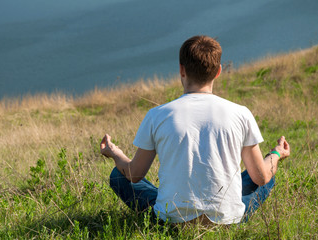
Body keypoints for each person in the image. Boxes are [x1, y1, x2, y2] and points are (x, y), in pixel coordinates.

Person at [100, 35, 290, 225]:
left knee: (119, 175)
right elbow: (261, 177)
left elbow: (134, 174)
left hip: (171, 220)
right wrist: (277, 153)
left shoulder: (157, 115)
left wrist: (115, 153)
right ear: (218, 72)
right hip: (228, 220)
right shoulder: (241, 113)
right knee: (267, 171)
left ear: (182, 70)